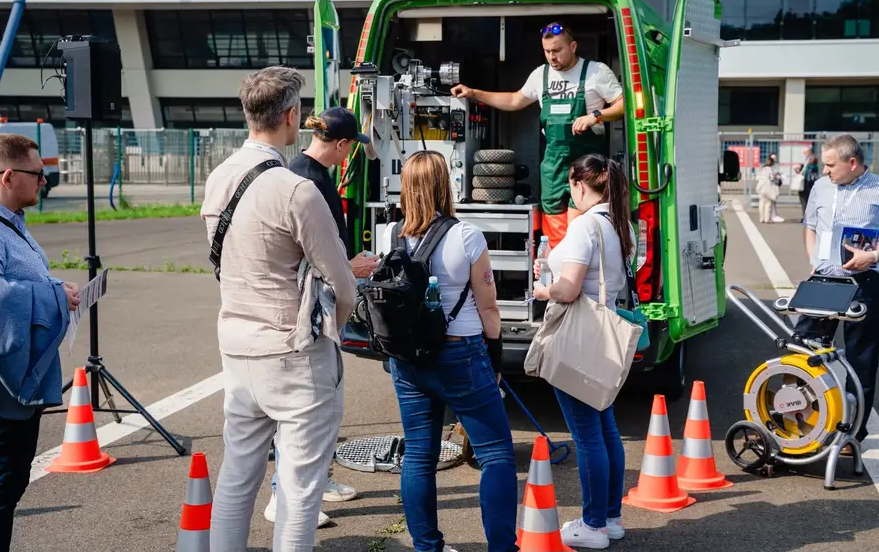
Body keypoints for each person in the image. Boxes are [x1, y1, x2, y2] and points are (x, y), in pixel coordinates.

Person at [201, 66, 357, 551]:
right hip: (293, 353)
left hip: (237, 347)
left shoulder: (219, 177)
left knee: (237, 477)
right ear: (291, 116)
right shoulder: (295, 189)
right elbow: (341, 279)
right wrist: (338, 322)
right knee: (299, 490)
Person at [378, 150, 517, 552]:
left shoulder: (392, 234)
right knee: (495, 455)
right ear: (446, 186)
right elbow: (489, 307)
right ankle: (502, 547)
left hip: (407, 359)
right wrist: (496, 358)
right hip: (462, 353)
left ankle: (427, 547)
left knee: (420, 455)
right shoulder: (467, 236)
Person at [260, 106, 380, 529]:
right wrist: (352, 268)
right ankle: (282, 496)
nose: (352, 155)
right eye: (352, 147)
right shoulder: (307, 180)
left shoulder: (308, 171)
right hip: (311, 310)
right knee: (308, 408)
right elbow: (311, 255)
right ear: (343, 144)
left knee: (323, 404)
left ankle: (319, 479)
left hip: (317, 303)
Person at [532, 153, 635, 549]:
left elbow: (569, 288)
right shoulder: (617, 223)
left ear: (579, 185)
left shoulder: (585, 226)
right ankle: (609, 518)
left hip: (580, 340)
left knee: (588, 436)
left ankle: (592, 525)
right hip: (603, 340)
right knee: (605, 430)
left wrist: (544, 290)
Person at [450, 22, 625, 246]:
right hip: (553, 166)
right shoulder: (541, 75)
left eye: (557, 50)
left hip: (586, 165)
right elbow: (514, 100)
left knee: (580, 228)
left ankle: (579, 273)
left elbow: (623, 105)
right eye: (547, 51)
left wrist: (595, 116)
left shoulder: (596, 72)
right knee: (554, 230)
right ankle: (557, 274)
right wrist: (474, 93)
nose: (552, 57)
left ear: (572, 46)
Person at [0, 134, 80, 552]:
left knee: (10, 484)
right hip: (2, 388)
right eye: (38, 174)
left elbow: (18, 279)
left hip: (16, 383)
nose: (44, 182)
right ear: (9, 177)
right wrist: (51, 296)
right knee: (1, 485)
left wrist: (52, 285)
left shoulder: (12, 223)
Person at [799, 134, 879, 447]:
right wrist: (814, 260)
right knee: (805, 349)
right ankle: (807, 424)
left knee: (862, 359)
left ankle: (852, 434)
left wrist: (871, 257)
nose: (825, 170)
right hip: (823, 280)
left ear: (852, 162)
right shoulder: (821, 186)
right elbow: (810, 226)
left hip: (864, 284)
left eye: (831, 164)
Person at [756, 153, 783, 224]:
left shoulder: (761, 169)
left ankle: (761, 218)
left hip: (760, 187)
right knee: (768, 203)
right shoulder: (770, 169)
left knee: (761, 203)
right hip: (767, 187)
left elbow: (757, 177)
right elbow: (772, 178)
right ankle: (767, 219)